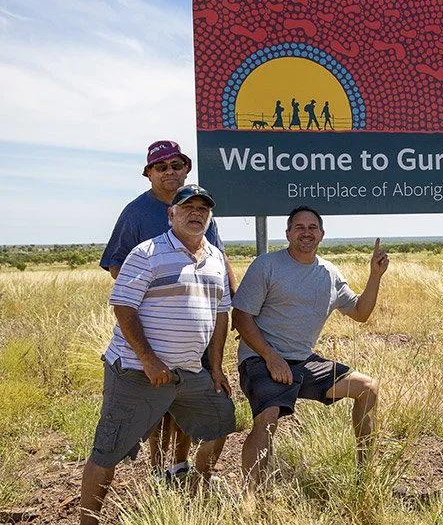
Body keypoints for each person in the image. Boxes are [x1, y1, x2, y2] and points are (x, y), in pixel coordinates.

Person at [80, 185, 235, 525]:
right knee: (109, 450)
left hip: (190, 372)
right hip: (137, 371)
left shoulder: (216, 260)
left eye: (203, 209)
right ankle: (88, 520)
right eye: (187, 207)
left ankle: (197, 490)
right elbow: (123, 306)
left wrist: (216, 366)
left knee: (221, 419)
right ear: (171, 214)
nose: (196, 213)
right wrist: (148, 359)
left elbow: (221, 313)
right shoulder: (147, 253)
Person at [99, 140, 238, 479]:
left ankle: (180, 465)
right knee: (159, 407)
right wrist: (160, 287)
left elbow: (217, 256)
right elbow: (117, 266)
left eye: (176, 165)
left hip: (197, 329)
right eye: (161, 167)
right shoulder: (135, 214)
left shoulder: (201, 210)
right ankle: (158, 469)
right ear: (149, 174)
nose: (170, 172)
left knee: (188, 405)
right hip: (154, 329)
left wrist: (233, 299)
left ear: (186, 168)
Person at [232, 206, 389, 487]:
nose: (306, 233)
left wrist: (375, 275)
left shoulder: (329, 273)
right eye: (299, 227)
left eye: (312, 227)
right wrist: (271, 357)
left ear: (322, 234)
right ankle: (251, 500)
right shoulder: (267, 265)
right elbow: (241, 317)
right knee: (268, 417)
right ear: (288, 233)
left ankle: (366, 478)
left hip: (303, 362)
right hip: (260, 358)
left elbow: (361, 313)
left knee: (368, 388)